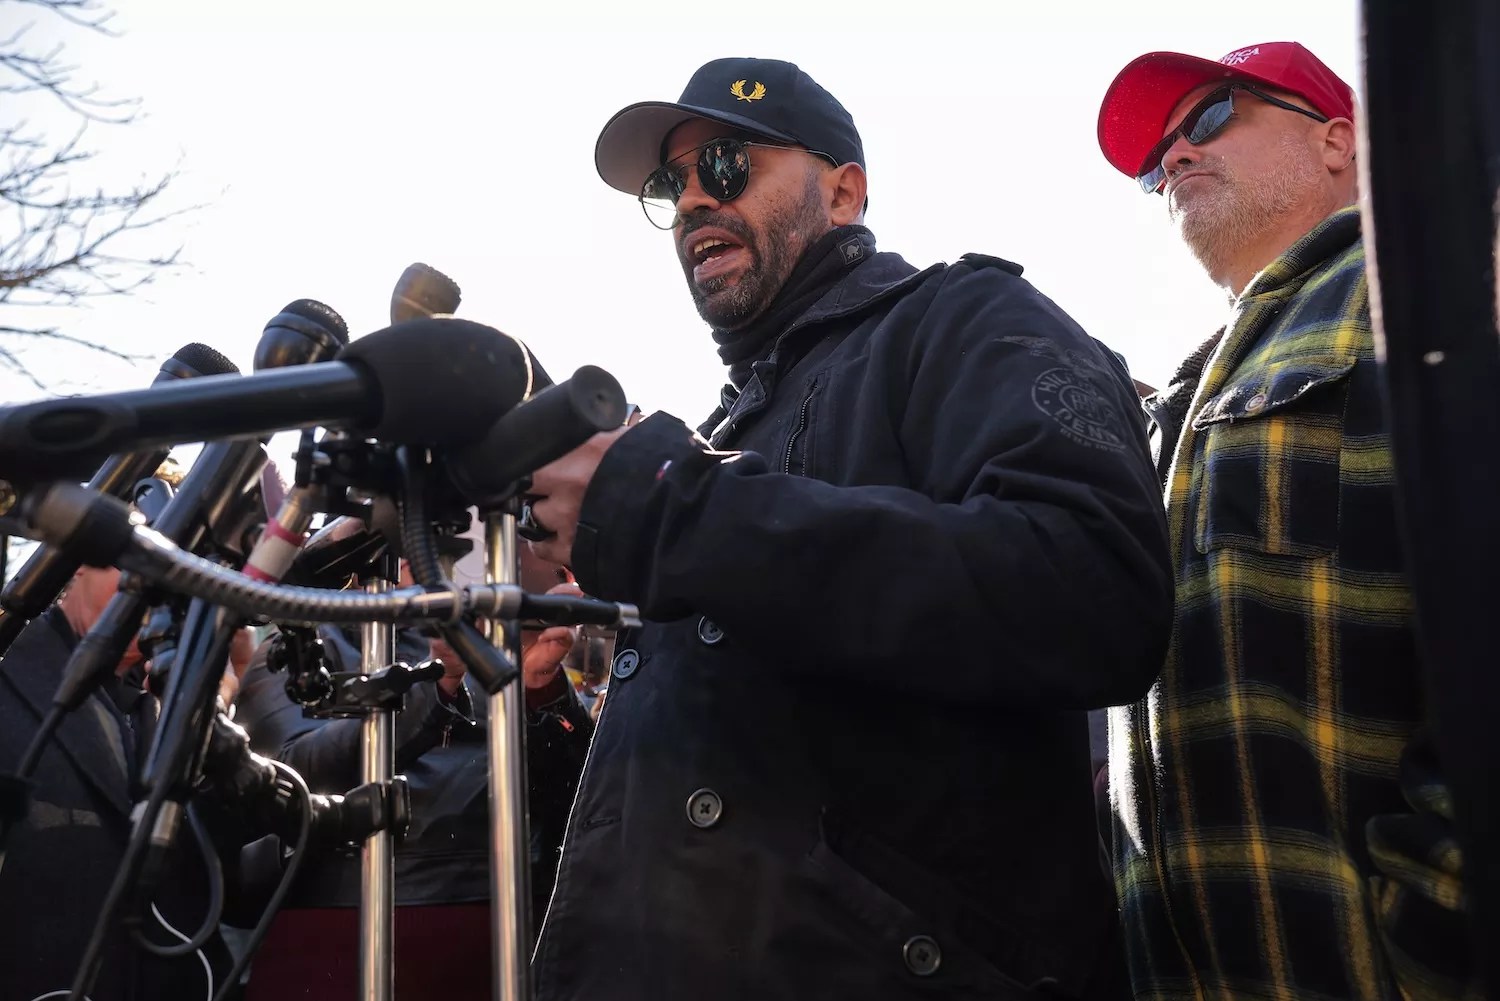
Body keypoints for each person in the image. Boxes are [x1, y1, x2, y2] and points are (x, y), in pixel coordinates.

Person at [519, 57, 1173, 999]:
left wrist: (667, 502)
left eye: (729, 163)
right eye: (673, 184)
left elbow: (1094, 589)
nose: (696, 197)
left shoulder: (966, 318)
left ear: (845, 189)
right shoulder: (725, 425)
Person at [1095, 41, 1480, 1000]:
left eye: (1214, 115)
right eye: (1159, 159)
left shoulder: (1446, 285)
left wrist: (1438, 948)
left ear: (1339, 139)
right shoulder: (1178, 397)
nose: (1177, 153)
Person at [231, 545, 593, 1000]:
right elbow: (286, 776)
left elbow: (578, 796)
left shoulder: (496, 638)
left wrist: (539, 689)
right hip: (348, 924)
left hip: (509, 926)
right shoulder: (305, 645)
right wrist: (438, 687)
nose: (419, 560)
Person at [0, 561, 238, 1001]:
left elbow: (223, 882)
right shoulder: (10, 670)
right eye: (140, 561)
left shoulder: (165, 698)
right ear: (77, 565)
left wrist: (209, 719)